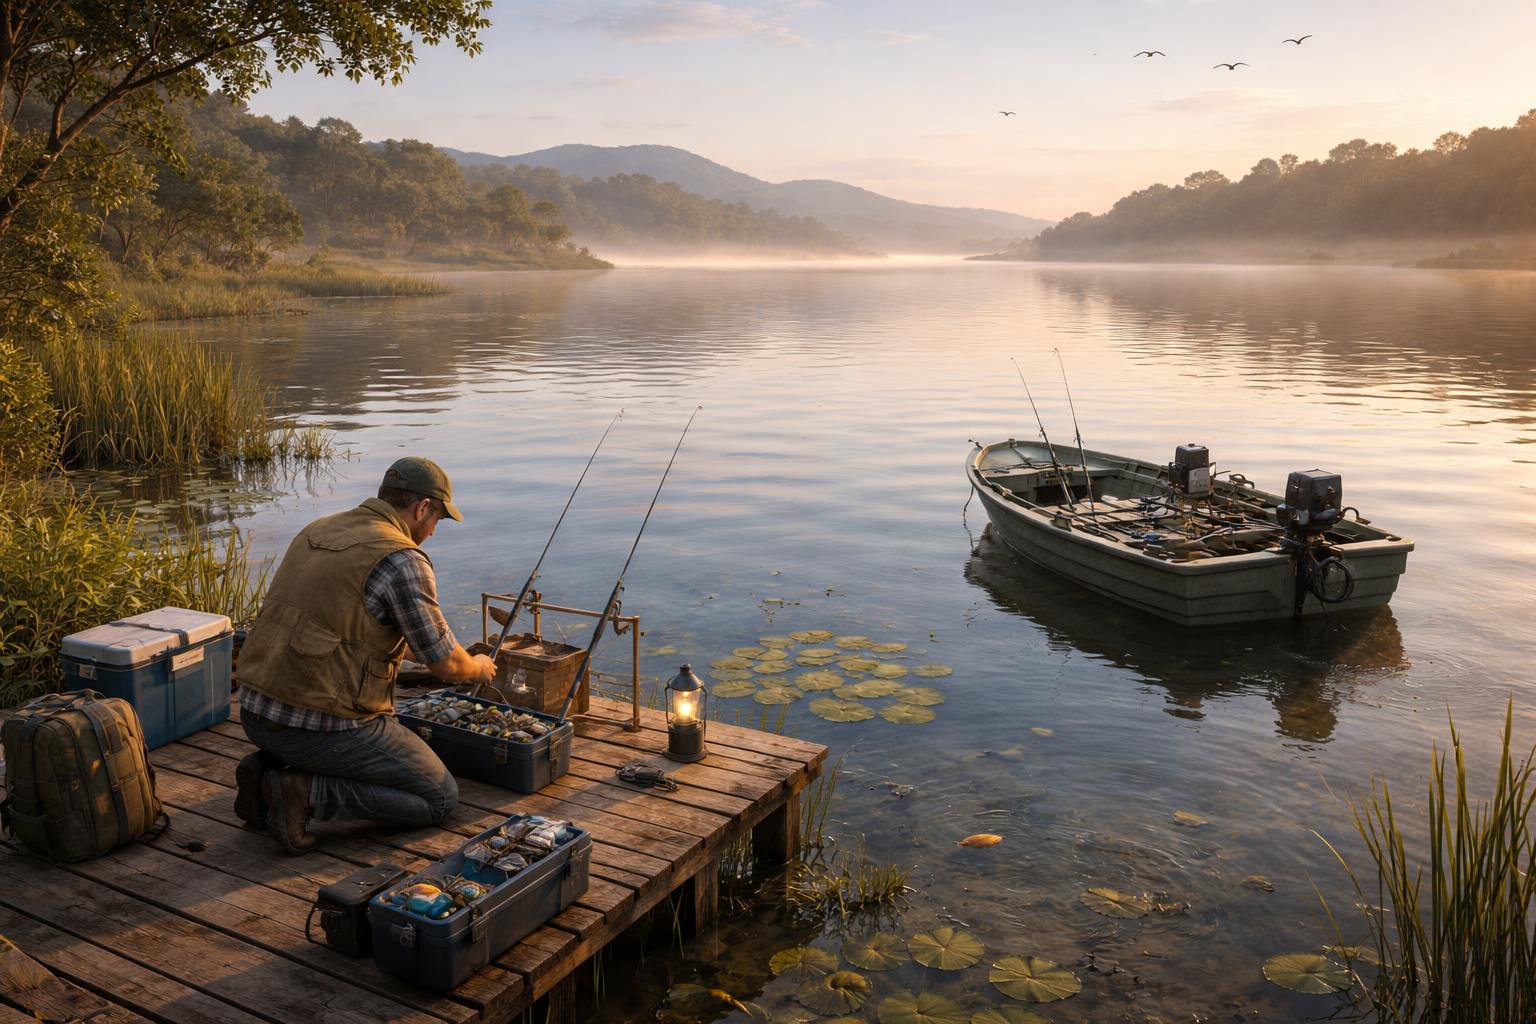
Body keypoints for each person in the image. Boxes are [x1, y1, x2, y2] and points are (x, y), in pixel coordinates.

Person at [232, 457, 497, 853]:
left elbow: (349, 628)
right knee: (439, 797)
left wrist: (421, 654)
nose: (433, 532)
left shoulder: (320, 528)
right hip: (315, 728)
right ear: (422, 507)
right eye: (437, 519)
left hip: (254, 713)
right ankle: (303, 793)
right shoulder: (402, 558)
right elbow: (447, 665)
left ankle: (265, 771)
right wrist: (478, 667)